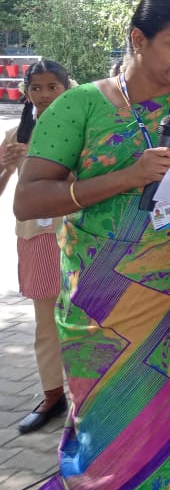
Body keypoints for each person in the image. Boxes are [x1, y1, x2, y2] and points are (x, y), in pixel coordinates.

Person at [14, 0, 170, 490]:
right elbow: (27, 200)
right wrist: (128, 177)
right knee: (112, 440)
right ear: (138, 39)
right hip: (105, 313)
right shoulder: (80, 106)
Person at [0, 60, 72, 435]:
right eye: (37, 88)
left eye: (52, 87)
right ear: (27, 93)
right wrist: (5, 167)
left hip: (78, 234)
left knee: (87, 317)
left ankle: (91, 397)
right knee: (46, 322)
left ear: (66, 89)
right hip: (35, 237)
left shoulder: (84, 130)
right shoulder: (16, 135)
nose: (44, 95)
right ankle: (52, 395)